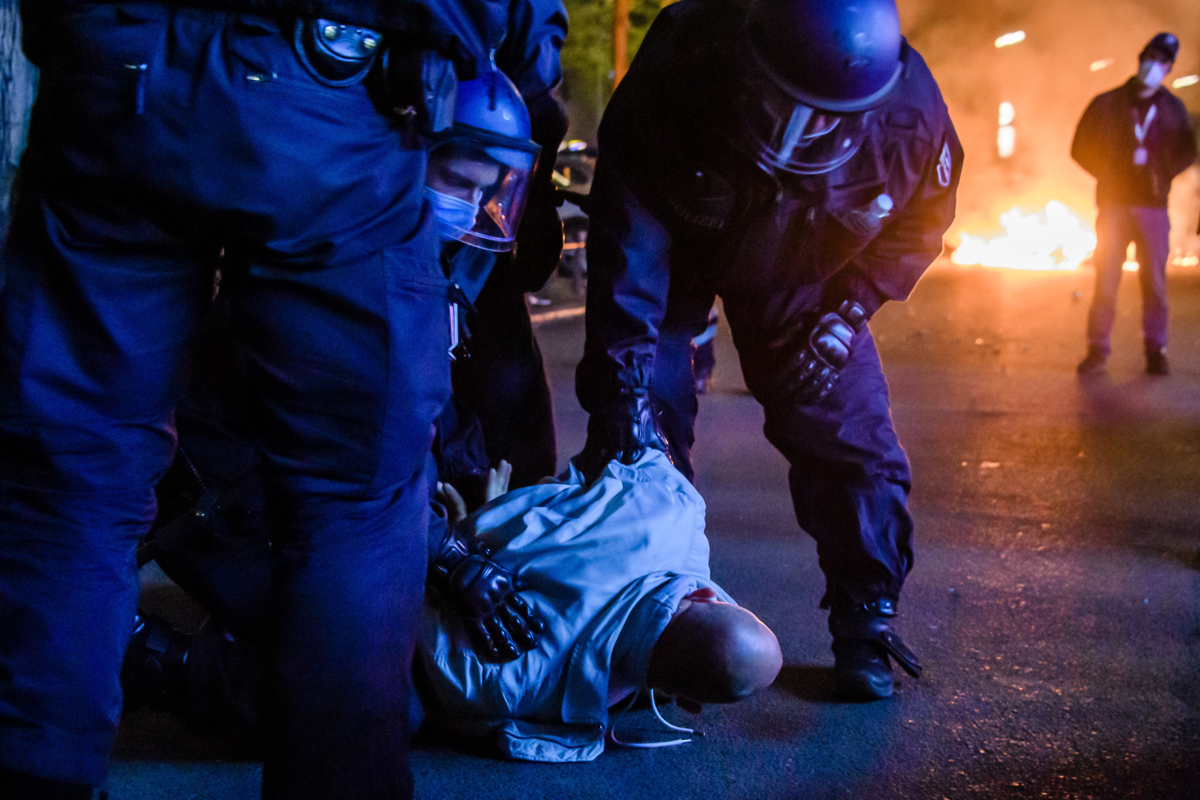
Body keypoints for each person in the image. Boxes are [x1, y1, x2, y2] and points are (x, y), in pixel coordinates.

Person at [0, 2, 560, 798]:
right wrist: (512, 59)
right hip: (330, 83)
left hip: (116, 67)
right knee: (355, 504)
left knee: (71, 471)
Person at [573, 0, 962, 702]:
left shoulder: (913, 121)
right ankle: (652, 621)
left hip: (804, 277)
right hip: (674, 256)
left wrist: (849, 312)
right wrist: (624, 379)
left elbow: (919, 225)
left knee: (852, 439)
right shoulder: (685, 57)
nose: (797, 133)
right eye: (783, 104)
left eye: (824, 119)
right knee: (641, 436)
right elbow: (629, 224)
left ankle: (866, 620)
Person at [126, 449, 782, 763]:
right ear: (680, 697)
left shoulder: (675, 512)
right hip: (390, 556)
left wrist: (492, 528)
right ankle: (149, 655)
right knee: (370, 704)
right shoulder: (538, 680)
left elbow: (626, 458)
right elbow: (427, 649)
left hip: (441, 491)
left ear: (711, 597)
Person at [1072, 32, 1197, 377]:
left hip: (1153, 208)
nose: (1153, 64)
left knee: (1155, 285)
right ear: (1140, 57)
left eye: (1162, 60)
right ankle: (1097, 350)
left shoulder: (1173, 109)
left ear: (1169, 67)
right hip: (1113, 206)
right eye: (1150, 56)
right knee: (1106, 282)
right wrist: (1107, 172)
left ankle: (1155, 350)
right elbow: (1079, 146)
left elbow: (1188, 150)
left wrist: (1163, 175)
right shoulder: (1107, 103)